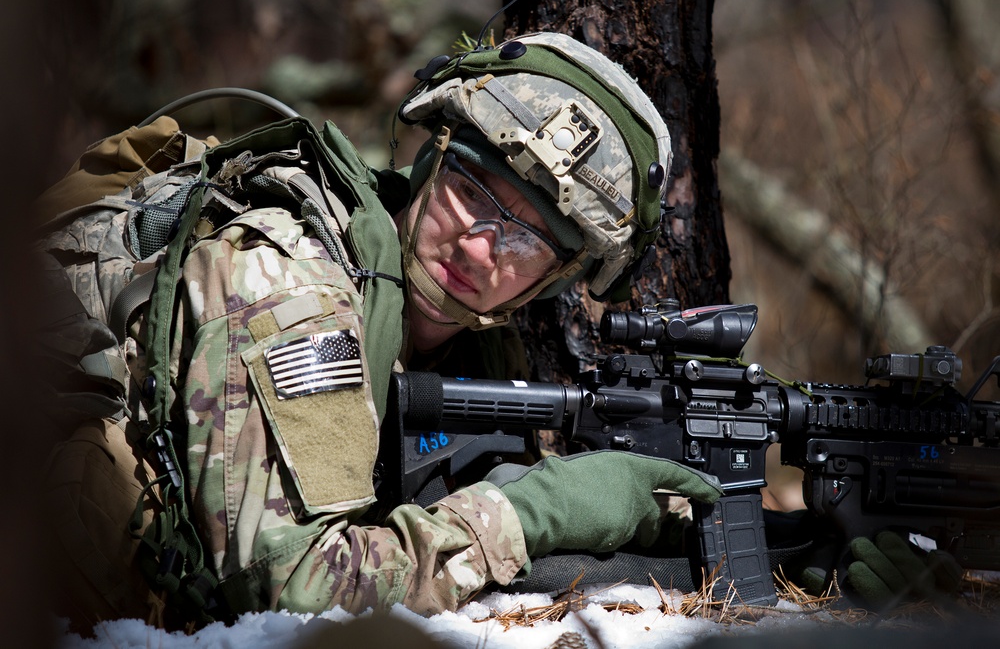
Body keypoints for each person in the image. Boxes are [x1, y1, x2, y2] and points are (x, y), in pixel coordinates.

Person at [35, 31, 723, 628]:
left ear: (559, 276)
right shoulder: (293, 280)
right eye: (473, 191)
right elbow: (294, 596)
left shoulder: (479, 346)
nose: (482, 247)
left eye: (528, 240)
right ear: (432, 154)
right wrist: (529, 514)